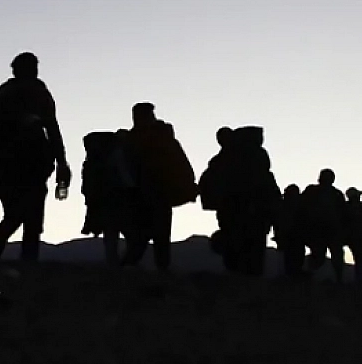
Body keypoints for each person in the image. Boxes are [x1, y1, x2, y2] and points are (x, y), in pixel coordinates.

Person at [0, 53, 71, 262]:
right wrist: (60, 160)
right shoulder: (33, 94)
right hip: (24, 161)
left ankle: (1, 253)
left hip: (21, 161)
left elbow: (51, 128)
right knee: (26, 212)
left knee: (22, 212)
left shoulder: (5, 94)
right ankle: (9, 254)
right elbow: (52, 128)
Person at [119, 103, 195, 273]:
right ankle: (156, 267)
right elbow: (181, 162)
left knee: (148, 234)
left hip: (153, 192)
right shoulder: (158, 137)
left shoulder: (144, 138)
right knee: (151, 233)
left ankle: (147, 266)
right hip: (148, 193)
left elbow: (179, 163)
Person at [198, 127, 280, 276]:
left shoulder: (223, 159)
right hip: (254, 211)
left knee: (237, 244)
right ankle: (250, 279)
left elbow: (208, 181)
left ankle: (239, 277)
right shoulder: (256, 157)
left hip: (234, 209)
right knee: (253, 246)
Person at [80, 130, 136, 265]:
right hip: (121, 198)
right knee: (133, 234)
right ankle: (126, 264)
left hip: (103, 200)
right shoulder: (119, 154)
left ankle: (113, 264)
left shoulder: (95, 160)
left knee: (110, 234)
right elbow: (126, 177)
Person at [302, 169, 347, 282]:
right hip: (318, 229)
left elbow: (343, 213)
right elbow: (303, 208)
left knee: (334, 256)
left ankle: (337, 279)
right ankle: (312, 277)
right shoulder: (313, 191)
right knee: (319, 256)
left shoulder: (336, 194)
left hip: (330, 229)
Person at [273, 185, 308, 280]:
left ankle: (291, 273)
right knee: (290, 255)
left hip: (293, 234)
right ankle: (291, 273)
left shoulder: (284, 205)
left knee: (293, 254)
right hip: (290, 234)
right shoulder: (293, 205)